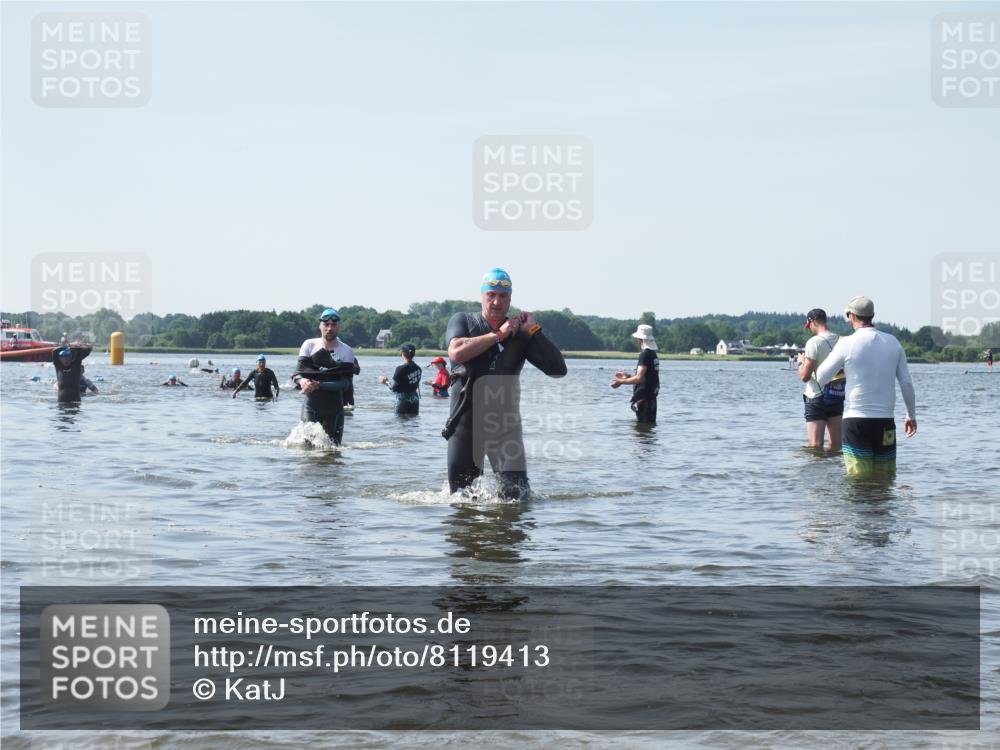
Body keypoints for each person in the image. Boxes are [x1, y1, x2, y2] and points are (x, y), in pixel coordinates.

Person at [443, 267, 567, 499]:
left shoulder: (520, 334)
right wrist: (499, 335)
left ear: (510, 299)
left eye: (503, 296)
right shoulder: (463, 321)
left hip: (505, 429)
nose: (497, 302)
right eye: (491, 295)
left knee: (516, 498)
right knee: (461, 500)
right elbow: (457, 352)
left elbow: (558, 370)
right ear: (482, 296)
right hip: (464, 425)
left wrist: (534, 331)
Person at [816, 296, 916, 477]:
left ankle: (861, 507)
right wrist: (911, 415)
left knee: (858, 480)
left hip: (856, 422)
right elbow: (906, 383)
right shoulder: (893, 342)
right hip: (885, 422)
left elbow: (821, 377)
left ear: (853, 316)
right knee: (884, 479)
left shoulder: (846, 343)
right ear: (872, 316)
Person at [292, 307, 356, 445]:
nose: (329, 328)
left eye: (333, 325)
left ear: (339, 327)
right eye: (326, 325)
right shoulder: (309, 345)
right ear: (320, 326)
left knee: (333, 451)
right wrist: (302, 381)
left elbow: (345, 384)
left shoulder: (347, 351)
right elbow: (297, 374)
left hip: (335, 409)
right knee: (306, 449)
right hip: (311, 406)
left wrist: (319, 385)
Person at [797, 308, 844, 450]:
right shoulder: (840, 340)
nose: (810, 329)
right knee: (836, 445)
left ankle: (816, 472)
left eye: (809, 325)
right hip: (836, 395)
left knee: (815, 446)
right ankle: (833, 471)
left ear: (814, 322)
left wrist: (801, 361)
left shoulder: (814, 342)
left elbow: (804, 377)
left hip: (816, 398)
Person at [610, 324, 660, 424]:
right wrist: (627, 377)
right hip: (651, 399)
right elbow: (646, 377)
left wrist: (620, 381)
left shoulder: (644, 354)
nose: (636, 341)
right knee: (647, 432)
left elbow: (639, 378)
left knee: (641, 435)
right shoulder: (653, 354)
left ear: (640, 339)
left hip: (644, 400)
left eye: (637, 338)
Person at [379, 343, 422, 415]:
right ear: (414, 354)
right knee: (413, 423)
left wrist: (385, 382)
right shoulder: (418, 369)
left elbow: (393, 388)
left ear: (403, 353)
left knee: (399, 423)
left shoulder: (400, 369)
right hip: (415, 399)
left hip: (403, 400)